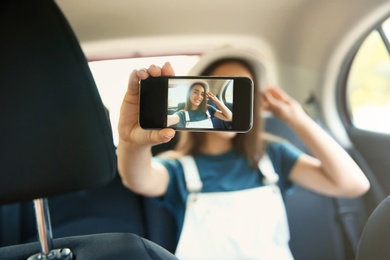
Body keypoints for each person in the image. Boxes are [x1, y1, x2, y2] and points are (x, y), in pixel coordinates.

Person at [117, 57, 370, 259]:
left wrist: (297, 117)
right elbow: (138, 179)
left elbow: (352, 184)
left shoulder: (272, 154)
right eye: (222, 84)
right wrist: (131, 143)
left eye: (242, 91)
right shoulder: (178, 165)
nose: (236, 100)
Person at [167, 81, 232, 129]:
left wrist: (216, 100)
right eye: (195, 92)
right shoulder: (181, 114)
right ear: (189, 94)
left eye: (202, 94)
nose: (199, 97)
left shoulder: (209, 109)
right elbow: (169, 119)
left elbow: (229, 117)